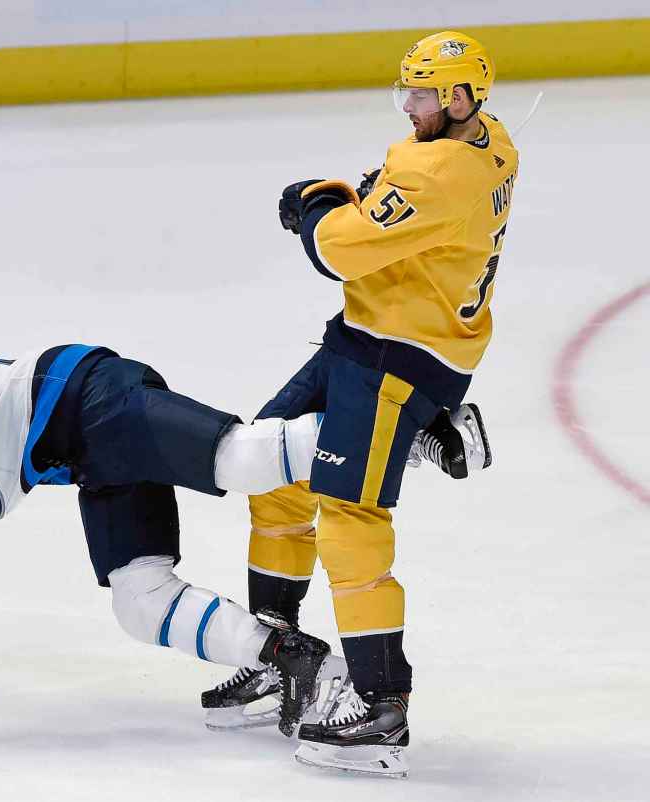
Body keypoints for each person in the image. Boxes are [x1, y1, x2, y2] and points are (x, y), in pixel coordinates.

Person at [0, 342, 465, 737]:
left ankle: (424, 430)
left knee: (242, 459)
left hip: (89, 398)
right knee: (141, 601)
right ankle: (288, 657)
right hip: (88, 459)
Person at [201, 30, 515, 777]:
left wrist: (312, 207)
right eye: (407, 91)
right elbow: (387, 205)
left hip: (401, 358)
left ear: (463, 98)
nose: (410, 107)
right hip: (365, 335)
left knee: (350, 517)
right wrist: (357, 197)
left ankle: (383, 709)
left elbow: (339, 249)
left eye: (424, 95)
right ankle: (281, 657)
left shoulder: (442, 172)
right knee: (270, 469)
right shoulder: (491, 140)